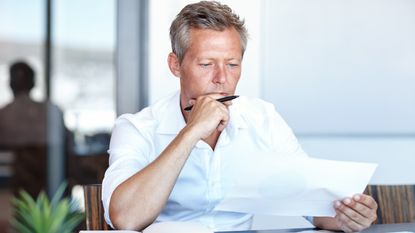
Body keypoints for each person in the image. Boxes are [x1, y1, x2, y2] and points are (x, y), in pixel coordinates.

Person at [102, 1, 377, 232]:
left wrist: (345, 217)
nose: (222, 79)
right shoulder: (136, 127)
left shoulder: (263, 118)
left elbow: (309, 203)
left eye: (232, 64)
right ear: (176, 65)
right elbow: (125, 219)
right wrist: (190, 133)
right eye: (206, 64)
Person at [0, 61, 65, 197]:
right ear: (34, 83)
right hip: (52, 186)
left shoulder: (4, 114)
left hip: (10, 192)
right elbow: (68, 147)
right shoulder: (52, 111)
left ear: (10, 84)